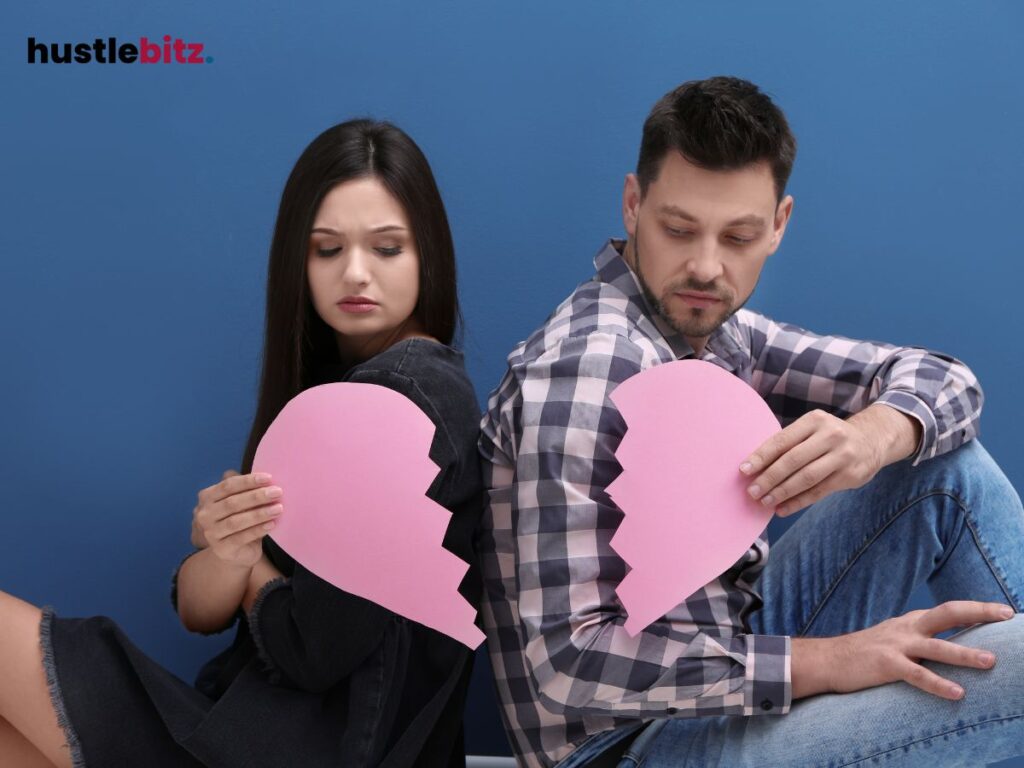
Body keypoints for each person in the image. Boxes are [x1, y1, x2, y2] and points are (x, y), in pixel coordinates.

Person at [477, 76, 1024, 767]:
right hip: (626, 748)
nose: (706, 265)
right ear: (632, 205)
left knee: (943, 467)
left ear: (779, 225)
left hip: (733, 661)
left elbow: (949, 380)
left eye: (738, 236)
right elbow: (570, 664)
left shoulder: (720, 333)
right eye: (678, 230)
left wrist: (869, 438)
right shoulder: (586, 368)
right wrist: (828, 662)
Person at [0, 119, 484, 767]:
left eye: (388, 248)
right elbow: (196, 610)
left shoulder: (399, 396)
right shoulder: (341, 394)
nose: (357, 273)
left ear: (429, 253)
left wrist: (249, 565)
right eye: (327, 249)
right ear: (298, 260)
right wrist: (230, 551)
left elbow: (312, 649)